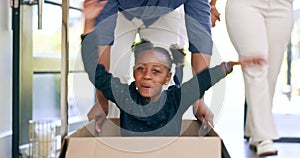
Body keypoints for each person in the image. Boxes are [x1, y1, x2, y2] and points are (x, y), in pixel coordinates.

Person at [82, 0, 222, 131]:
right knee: (115, 79)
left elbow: (200, 39)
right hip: (120, 10)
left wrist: (199, 99)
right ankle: (116, 141)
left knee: (163, 79)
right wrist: (102, 101)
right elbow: (103, 37)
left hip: (165, 12)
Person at [85, 39, 262, 135]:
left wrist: (231, 65)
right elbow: (97, 74)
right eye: (141, 69)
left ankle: (178, 62)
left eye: (156, 71)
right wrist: (89, 28)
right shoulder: (124, 95)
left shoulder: (176, 99)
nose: (147, 75)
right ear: (134, 72)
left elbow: (202, 81)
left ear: (167, 77)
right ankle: (177, 62)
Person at [225, 0, 294, 156]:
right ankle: (264, 137)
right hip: (245, 4)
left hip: (283, 5)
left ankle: (254, 130)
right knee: (257, 67)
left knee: (272, 73)